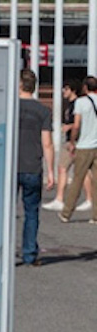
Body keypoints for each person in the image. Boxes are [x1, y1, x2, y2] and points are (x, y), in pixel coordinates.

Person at [17, 69, 54, 265]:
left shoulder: (9, 108)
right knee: (31, 212)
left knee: (5, 212)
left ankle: (2, 252)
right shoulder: (43, 111)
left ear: (19, 85)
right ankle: (29, 253)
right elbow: (47, 143)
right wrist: (51, 171)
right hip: (32, 165)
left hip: (11, 166)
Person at [46, 80, 92, 211]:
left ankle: (86, 199)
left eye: (66, 89)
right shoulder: (69, 104)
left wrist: (69, 128)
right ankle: (62, 198)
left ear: (73, 90)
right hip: (72, 140)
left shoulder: (78, 104)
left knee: (74, 169)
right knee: (69, 168)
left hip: (75, 141)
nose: (63, 91)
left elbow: (81, 122)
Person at [60, 75, 97, 224]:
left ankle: (66, 213)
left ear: (85, 88)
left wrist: (72, 141)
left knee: (77, 180)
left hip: (84, 146)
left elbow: (76, 125)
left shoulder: (81, 102)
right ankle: (95, 216)